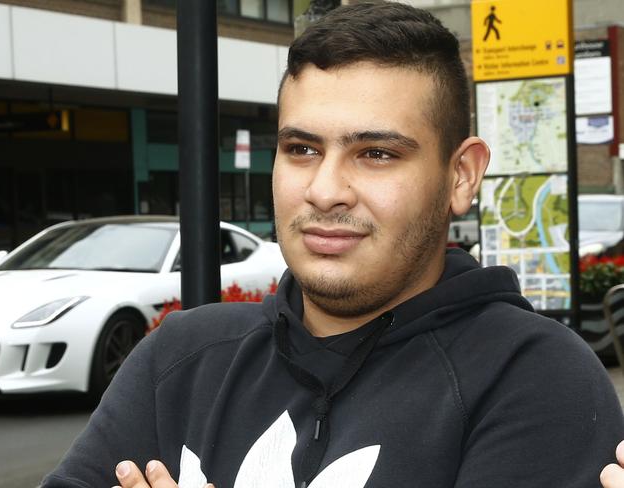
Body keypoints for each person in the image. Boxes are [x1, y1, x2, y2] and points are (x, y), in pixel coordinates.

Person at [41, 3, 624, 487]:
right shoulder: (180, 362)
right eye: (301, 149)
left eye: (376, 153)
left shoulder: (533, 377)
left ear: (461, 176)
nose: (324, 191)